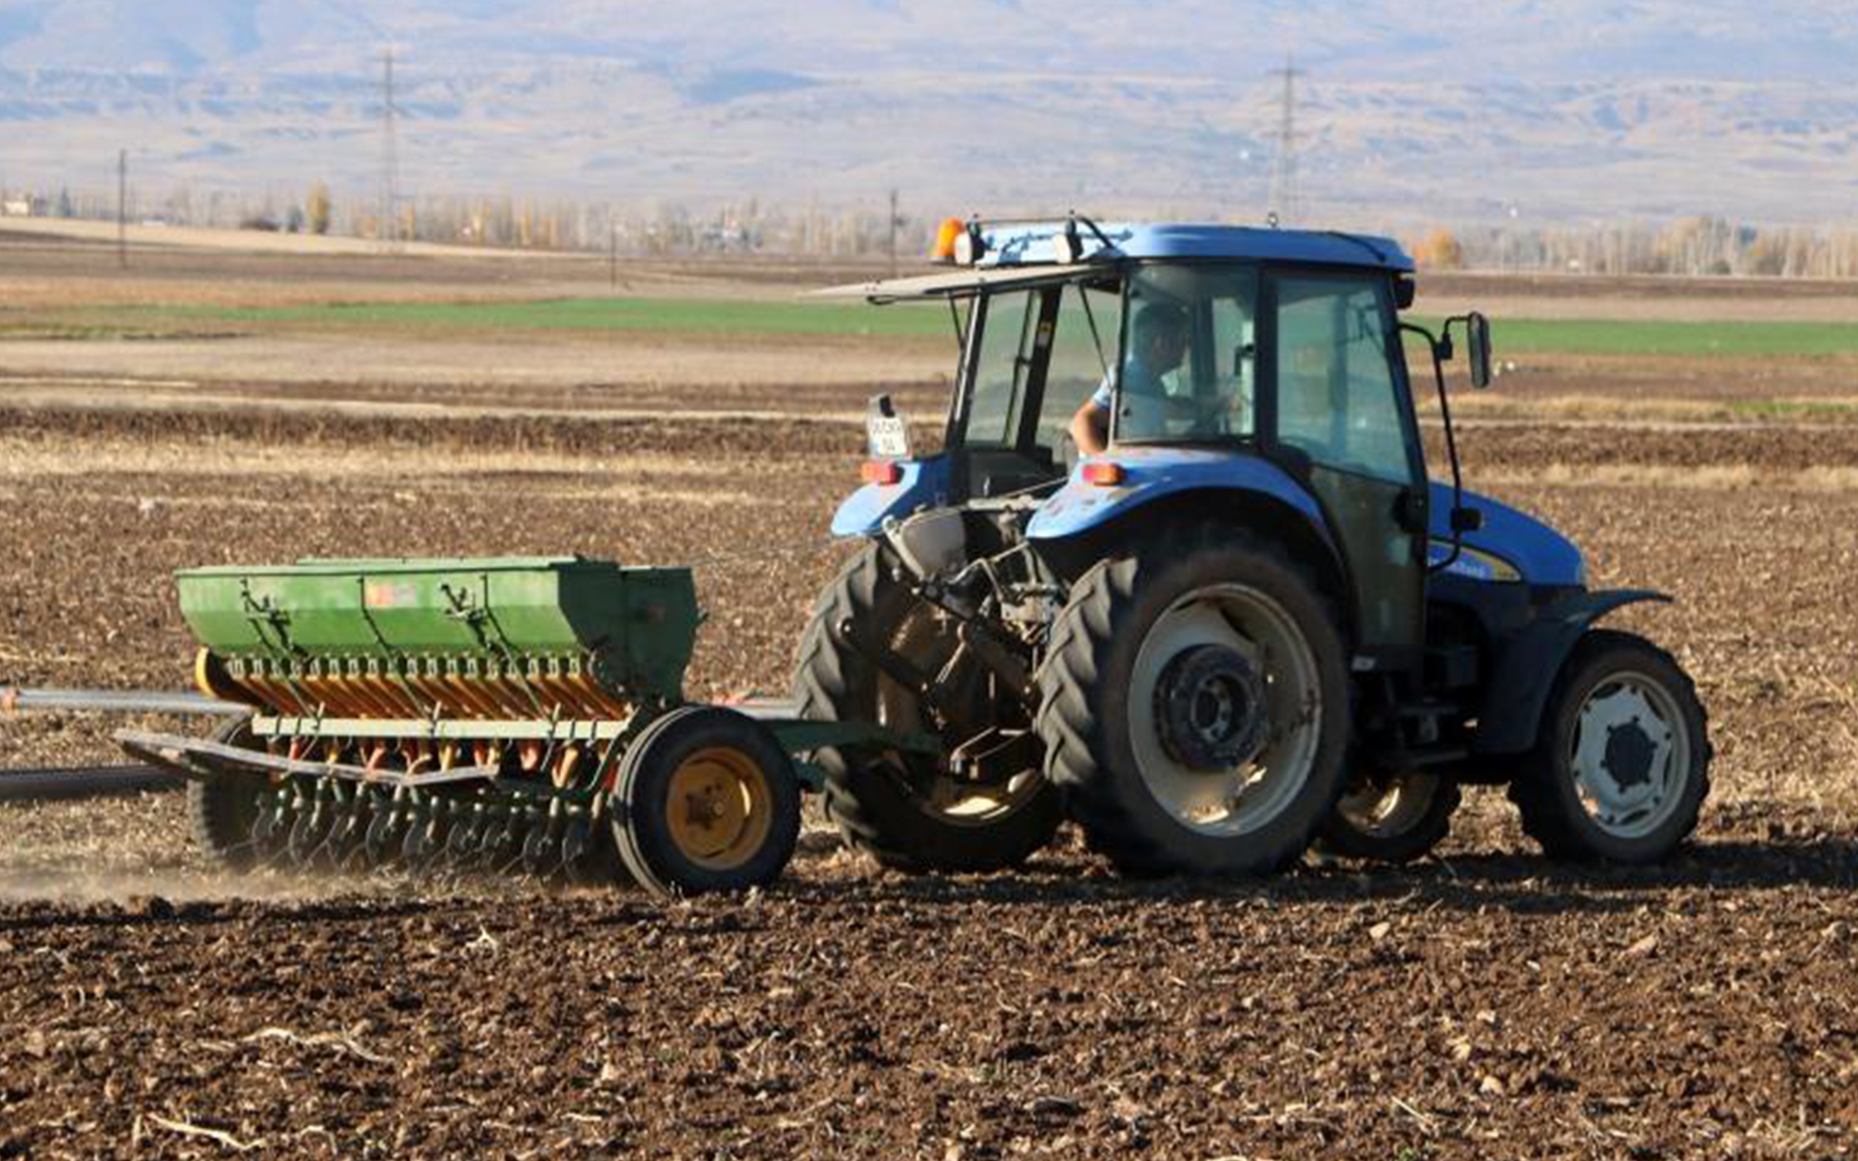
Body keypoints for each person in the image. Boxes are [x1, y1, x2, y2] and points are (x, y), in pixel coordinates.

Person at [1068, 300, 1189, 456]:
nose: (1186, 348)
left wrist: (1211, 406)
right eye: (1183, 341)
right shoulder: (1127, 377)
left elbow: (1169, 408)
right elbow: (1081, 423)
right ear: (1162, 344)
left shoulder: (1152, 382)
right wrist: (1106, 464)